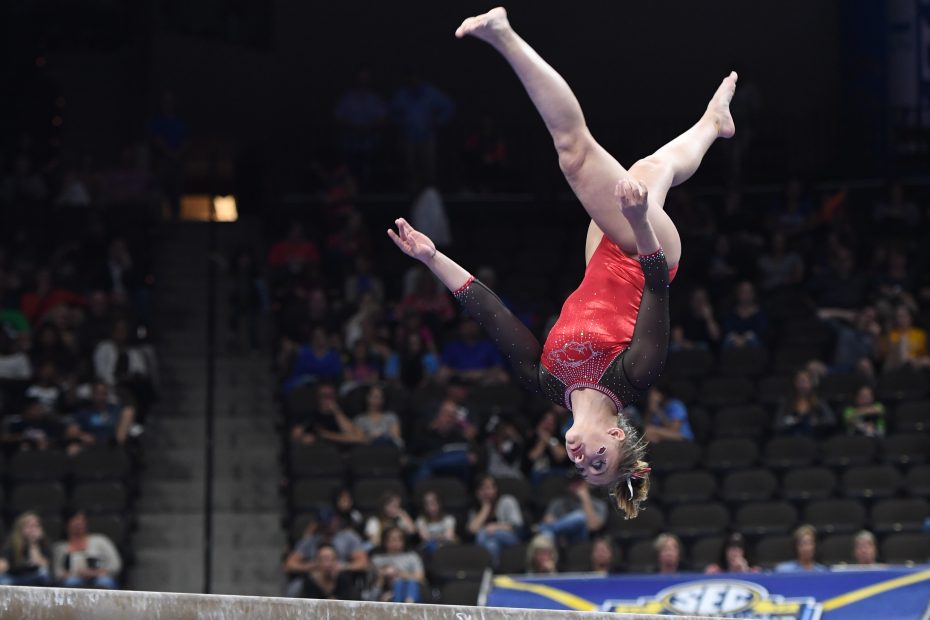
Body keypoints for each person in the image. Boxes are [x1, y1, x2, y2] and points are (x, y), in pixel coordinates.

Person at [389, 6, 738, 518]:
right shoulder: (634, 376)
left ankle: (712, 124)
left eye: (585, 469)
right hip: (647, 253)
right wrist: (640, 220)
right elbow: (659, 286)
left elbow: (493, 315)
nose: (583, 459)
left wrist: (432, 256)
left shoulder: (546, 384)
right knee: (574, 154)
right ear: (618, 434)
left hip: (601, 252)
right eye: (601, 460)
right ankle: (505, 35)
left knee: (652, 168)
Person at [52, 510, 122, 589]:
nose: (78, 525)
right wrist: (73, 574)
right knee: (70, 582)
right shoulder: (60, 548)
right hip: (73, 578)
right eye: (74, 521)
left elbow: (115, 565)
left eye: (81, 520)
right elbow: (57, 572)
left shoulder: (101, 540)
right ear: (66, 524)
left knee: (104, 582)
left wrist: (96, 572)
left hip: (99, 577)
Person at [466, 474, 523, 565]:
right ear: (477, 492)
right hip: (488, 539)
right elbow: (472, 530)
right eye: (483, 489)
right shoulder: (475, 509)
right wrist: (485, 508)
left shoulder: (507, 501)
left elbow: (516, 525)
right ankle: (493, 571)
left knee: (482, 534)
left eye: (489, 488)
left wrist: (495, 527)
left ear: (496, 489)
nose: (487, 492)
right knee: (491, 545)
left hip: (510, 537)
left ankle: (483, 568)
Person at [536, 479, 608, 544]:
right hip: (560, 538)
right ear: (567, 486)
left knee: (580, 516)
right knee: (547, 535)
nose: (576, 486)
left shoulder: (599, 504)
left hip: (582, 540)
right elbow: (547, 520)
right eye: (573, 483)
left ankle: (541, 528)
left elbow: (593, 526)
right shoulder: (558, 502)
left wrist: (585, 498)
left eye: (580, 483)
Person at [367, 526, 425, 604]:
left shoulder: (411, 557)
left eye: (399, 539)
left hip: (409, 591)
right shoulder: (377, 559)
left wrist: (398, 573)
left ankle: (407, 604)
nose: (396, 542)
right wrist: (381, 577)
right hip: (385, 593)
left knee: (409, 583)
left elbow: (419, 578)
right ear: (384, 541)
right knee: (398, 585)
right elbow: (371, 589)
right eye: (392, 539)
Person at [774, 369, 837, 440]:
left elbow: (831, 421)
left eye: (804, 382)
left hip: (814, 439)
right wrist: (793, 420)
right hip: (791, 439)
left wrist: (816, 422)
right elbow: (778, 424)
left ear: (811, 384)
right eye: (799, 382)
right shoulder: (786, 402)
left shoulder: (819, 402)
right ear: (795, 383)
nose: (802, 385)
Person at [0, 512, 52, 586]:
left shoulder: (43, 544)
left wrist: (33, 543)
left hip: (35, 576)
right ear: (21, 528)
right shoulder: (12, 544)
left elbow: (42, 564)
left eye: (36, 526)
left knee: (44, 574)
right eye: (30, 526)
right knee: (3, 580)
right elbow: (4, 564)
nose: (33, 530)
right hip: (15, 577)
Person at [415, 491, 457, 555]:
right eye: (427, 505)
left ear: (439, 504)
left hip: (446, 547)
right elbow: (425, 538)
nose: (431, 508)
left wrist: (433, 536)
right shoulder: (421, 520)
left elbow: (449, 537)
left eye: (433, 504)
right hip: (428, 549)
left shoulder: (448, 519)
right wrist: (441, 537)